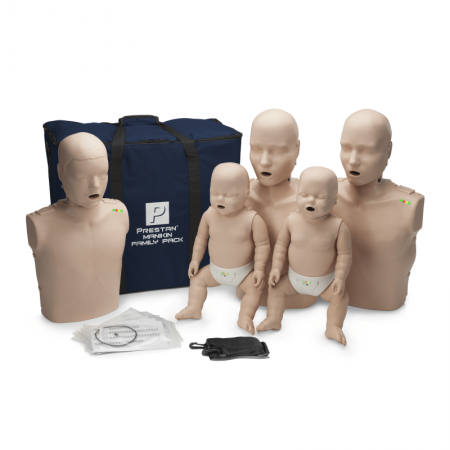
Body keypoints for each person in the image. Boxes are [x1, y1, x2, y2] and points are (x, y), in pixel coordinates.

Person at [257, 167, 352, 346]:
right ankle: (274, 318)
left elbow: (344, 255)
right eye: (304, 194)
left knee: (340, 298)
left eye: (320, 197)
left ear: (335, 200)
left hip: (325, 282)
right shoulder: (291, 220)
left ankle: (333, 326)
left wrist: (340, 278)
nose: (310, 200)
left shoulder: (338, 226)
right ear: (297, 195)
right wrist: (276, 268)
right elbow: (281, 246)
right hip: (293, 279)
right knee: (276, 289)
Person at [175, 163, 270, 334]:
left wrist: (259, 270)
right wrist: (195, 260)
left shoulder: (252, 219)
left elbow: (262, 246)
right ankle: (194, 307)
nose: (220, 199)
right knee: (197, 280)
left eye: (229, 195)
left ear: (246, 195)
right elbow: (201, 239)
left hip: (243, 274)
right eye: (214, 193)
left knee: (255, 289)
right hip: (214, 271)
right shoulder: (209, 215)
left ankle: (245, 316)